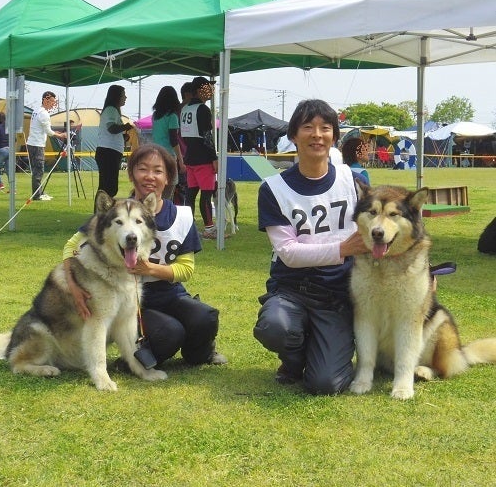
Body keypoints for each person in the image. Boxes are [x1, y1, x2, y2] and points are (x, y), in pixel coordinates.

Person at [63, 144, 227, 369]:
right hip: (133, 300)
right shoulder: (115, 212)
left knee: (204, 317)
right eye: (142, 169)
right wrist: (73, 285)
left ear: (168, 178)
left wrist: (149, 269)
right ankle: (130, 360)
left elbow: (186, 269)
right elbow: (71, 246)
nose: (150, 176)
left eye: (158, 171)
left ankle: (199, 354)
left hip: (170, 293)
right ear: (131, 174)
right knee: (170, 332)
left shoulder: (181, 216)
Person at [254, 99, 370, 395]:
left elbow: (382, 227)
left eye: (325, 128)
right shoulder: (273, 189)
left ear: (334, 137)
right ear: (293, 135)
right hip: (293, 289)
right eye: (308, 127)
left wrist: (423, 269)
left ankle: (321, 350)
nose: (317, 135)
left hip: (338, 294)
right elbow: (288, 253)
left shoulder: (352, 181)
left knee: (326, 384)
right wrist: (343, 249)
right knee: (275, 327)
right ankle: (293, 360)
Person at [180, 76, 218, 239]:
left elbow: (183, 135)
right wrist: (214, 157)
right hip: (203, 159)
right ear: (198, 90)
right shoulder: (203, 109)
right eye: (207, 87)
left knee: (190, 194)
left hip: (190, 157)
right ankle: (209, 229)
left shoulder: (185, 109)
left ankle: (188, 228)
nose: (210, 90)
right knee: (206, 195)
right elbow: (207, 136)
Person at [95, 85, 134, 200]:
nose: (125, 97)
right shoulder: (111, 109)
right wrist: (125, 126)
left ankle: (103, 209)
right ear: (116, 96)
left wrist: (122, 137)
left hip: (110, 152)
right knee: (107, 187)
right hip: (108, 152)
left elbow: (113, 131)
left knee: (109, 187)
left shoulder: (113, 111)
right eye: (123, 95)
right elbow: (111, 128)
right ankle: (101, 209)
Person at [26, 91, 66, 201]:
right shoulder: (44, 113)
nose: (53, 104)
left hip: (32, 143)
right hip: (37, 145)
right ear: (45, 99)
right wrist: (61, 135)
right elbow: (48, 131)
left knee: (37, 170)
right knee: (39, 170)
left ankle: (39, 192)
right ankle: (37, 195)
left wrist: (56, 133)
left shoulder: (36, 111)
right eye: (52, 101)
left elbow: (44, 129)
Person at [152, 86, 186, 200]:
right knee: (170, 187)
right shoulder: (172, 117)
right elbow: (174, 140)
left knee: (157, 188)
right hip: (169, 156)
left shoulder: (155, 116)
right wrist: (181, 161)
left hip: (156, 155)